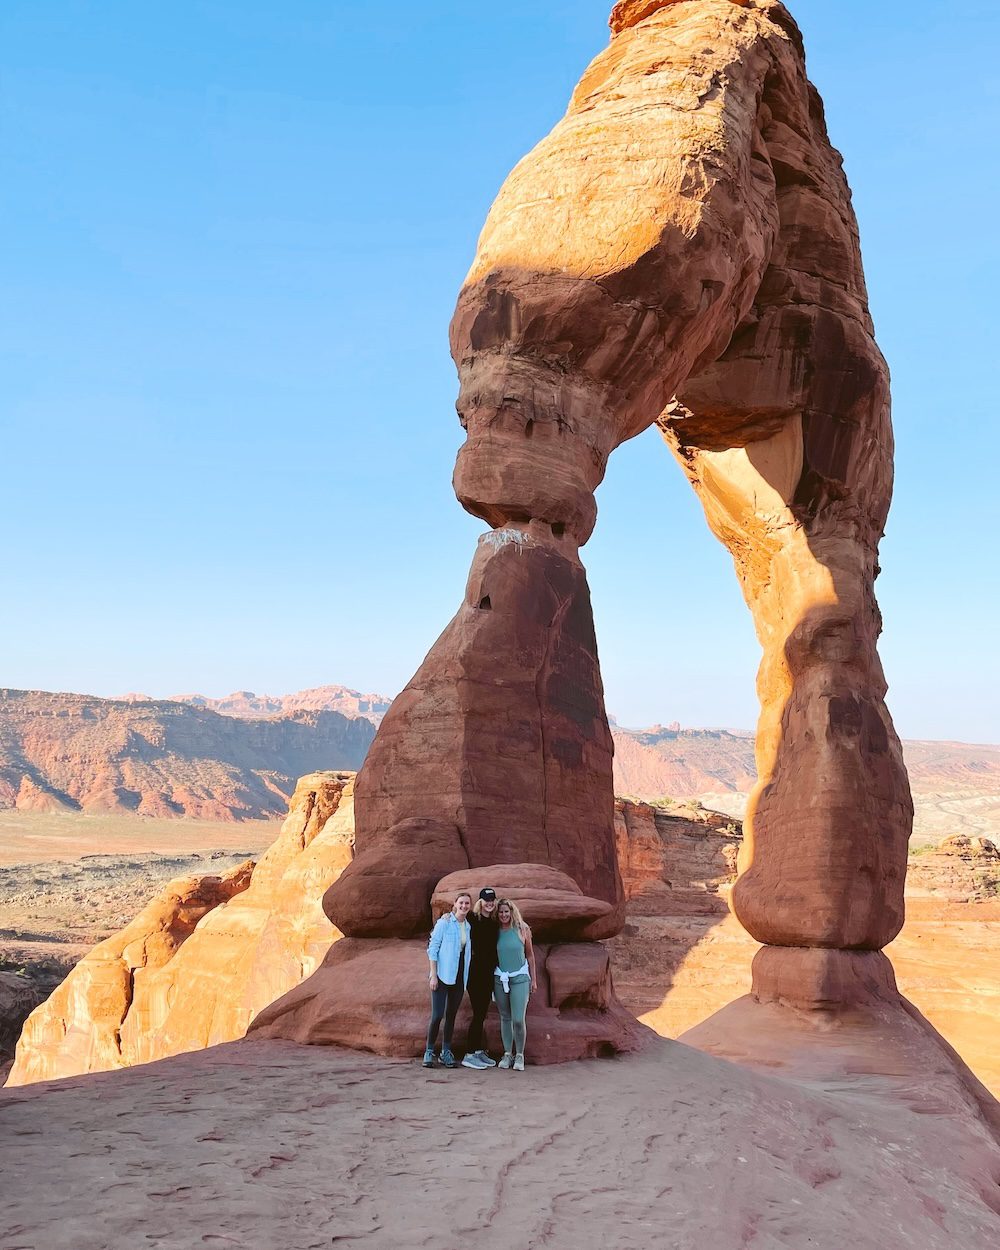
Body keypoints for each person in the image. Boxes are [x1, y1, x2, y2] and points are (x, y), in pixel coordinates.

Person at [424, 891, 473, 1068]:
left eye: (467, 903)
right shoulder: (444, 923)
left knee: (451, 1015)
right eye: (461, 903)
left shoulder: (468, 926)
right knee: (437, 1015)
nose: (464, 906)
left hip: (459, 976)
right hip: (442, 975)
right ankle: (429, 1051)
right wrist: (433, 975)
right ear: (455, 903)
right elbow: (433, 948)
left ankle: (446, 1052)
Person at [493, 897, 537, 1071]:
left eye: (506, 911)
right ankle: (507, 1054)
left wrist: (534, 979)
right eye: (501, 912)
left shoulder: (522, 929)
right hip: (500, 979)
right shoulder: (494, 931)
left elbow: (531, 955)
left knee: (518, 1019)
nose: (504, 915)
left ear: (512, 912)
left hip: (520, 979)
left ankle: (519, 1055)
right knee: (505, 1017)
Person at [462, 887, 500, 1069]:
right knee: (478, 1014)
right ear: (481, 901)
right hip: (474, 974)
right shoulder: (472, 918)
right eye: (486, 900)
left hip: (488, 974)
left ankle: (477, 1051)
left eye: (492, 900)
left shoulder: (494, 922)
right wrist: (447, 917)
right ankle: (468, 1055)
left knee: (482, 1013)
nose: (490, 903)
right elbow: (456, 918)